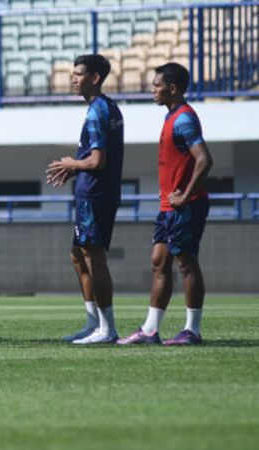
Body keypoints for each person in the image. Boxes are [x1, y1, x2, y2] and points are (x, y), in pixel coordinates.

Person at [118, 62, 213, 346]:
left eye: (157, 85)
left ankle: (192, 331)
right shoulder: (171, 116)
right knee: (159, 262)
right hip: (168, 206)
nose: (152, 89)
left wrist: (184, 195)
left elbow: (205, 160)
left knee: (186, 263)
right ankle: (149, 330)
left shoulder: (184, 118)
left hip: (186, 205)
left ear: (172, 89)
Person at [46, 54, 124, 345]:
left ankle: (107, 328)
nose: (73, 78)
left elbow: (96, 161)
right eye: (73, 73)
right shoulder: (107, 107)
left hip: (95, 195)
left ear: (95, 78)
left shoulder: (97, 112)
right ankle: (94, 322)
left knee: (93, 257)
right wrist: (74, 169)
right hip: (93, 193)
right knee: (78, 256)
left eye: (79, 74)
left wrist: (71, 164)